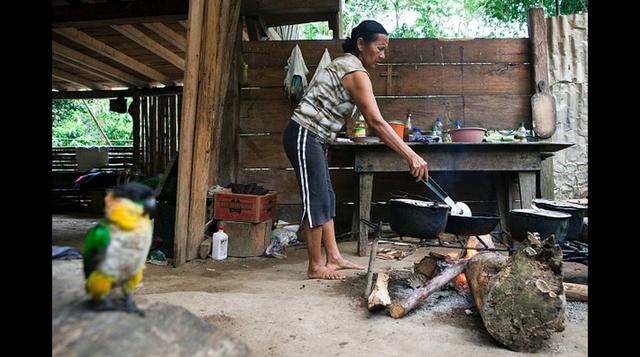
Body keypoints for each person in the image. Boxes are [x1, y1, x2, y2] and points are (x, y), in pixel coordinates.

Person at [282, 20, 429, 280]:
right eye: (379, 48)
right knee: (316, 199)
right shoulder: (355, 72)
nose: (382, 55)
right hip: (304, 134)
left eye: (385, 49)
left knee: (326, 196)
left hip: (316, 138)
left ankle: (335, 257)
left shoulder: (350, 67)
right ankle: (315, 266)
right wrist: (411, 155)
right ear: (361, 44)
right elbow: (376, 122)